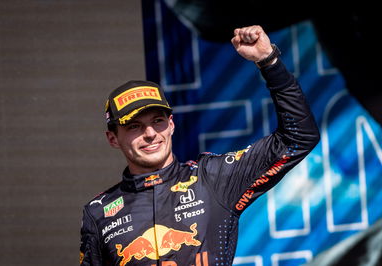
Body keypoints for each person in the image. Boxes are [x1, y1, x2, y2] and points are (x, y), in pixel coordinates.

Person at [79, 25, 320, 266]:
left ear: (171, 125)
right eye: (134, 126)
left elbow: (298, 137)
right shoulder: (99, 212)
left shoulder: (212, 178)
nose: (150, 133)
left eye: (157, 121)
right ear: (113, 138)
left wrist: (269, 62)